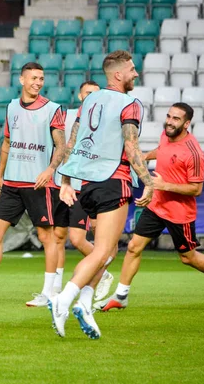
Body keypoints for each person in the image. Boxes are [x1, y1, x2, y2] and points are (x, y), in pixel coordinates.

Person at [94, 103, 204, 311]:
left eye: (176, 119)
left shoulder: (194, 153)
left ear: (187, 123)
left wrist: (164, 185)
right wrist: (145, 156)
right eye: (169, 116)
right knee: (134, 246)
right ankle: (121, 296)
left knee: (187, 258)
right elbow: (163, 151)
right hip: (156, 206)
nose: (170, 122)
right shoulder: (166, 135)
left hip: (179, 213)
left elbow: (196, 189)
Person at [52, 50, 154, 339]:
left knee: (108, 252)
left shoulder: (90, 100)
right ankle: (64, 298)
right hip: (114, 179)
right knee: (102, 252)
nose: (136, 73)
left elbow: (72, 141)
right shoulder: (130, 103)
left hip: (88, 183)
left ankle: (85, 303)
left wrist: (66, 180)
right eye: (132, 69)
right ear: (118, 74)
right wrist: (148, 182)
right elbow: (131, 147)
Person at [0, 62, 67, 307]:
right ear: (22, 80)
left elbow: (61, 145)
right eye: (33, 78)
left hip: (38, 184)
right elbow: (7, 143)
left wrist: (50, 170)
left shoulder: (52, 109)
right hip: (11, 183)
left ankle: (49, 294)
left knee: (46, 238)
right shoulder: (11, 108)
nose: (38, 82)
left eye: (41, 78)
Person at [50, 81, 114, 302]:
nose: (90, 97)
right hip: (62, 184)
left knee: (78, 239)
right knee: (57, 237)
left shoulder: (103, 122)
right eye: (87, 93)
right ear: (79, 95)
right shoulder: (65, 117)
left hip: (86, 186)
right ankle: (54, 288)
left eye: (95, 94)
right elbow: (60, 146)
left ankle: (102, 270)